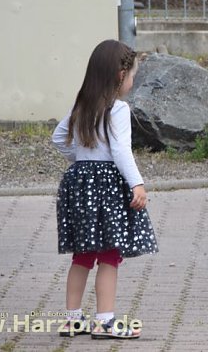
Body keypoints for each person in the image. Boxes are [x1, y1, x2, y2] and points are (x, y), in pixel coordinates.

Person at [52, 40, 158, 339]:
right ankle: (105, 321)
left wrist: (81, 159)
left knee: (83, 254)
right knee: (109, 255)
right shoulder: (118, 109)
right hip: (108, 188)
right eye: (133, 75)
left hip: (79, 184)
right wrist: (136, 183)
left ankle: (73, 320)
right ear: (121, 75)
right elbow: (122, 150)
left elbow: (58, 138)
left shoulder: (82, 105)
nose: (133, 81)